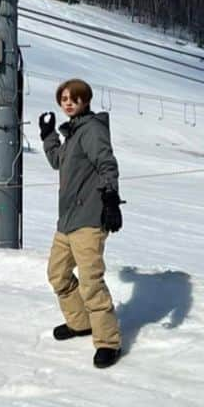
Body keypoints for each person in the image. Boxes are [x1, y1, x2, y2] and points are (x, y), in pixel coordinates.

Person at [41, 77, 124, 368]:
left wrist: (111, 198)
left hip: (89, 219)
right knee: (58, 274)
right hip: (67, 221)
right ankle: (81, 322)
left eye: (74, 98)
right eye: (64, 98)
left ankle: (108, 342)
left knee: (91, 283)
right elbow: (58, 162)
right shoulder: (73, 133)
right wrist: (49, 135)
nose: (68, 102)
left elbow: (106, 164)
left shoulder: (91, 130)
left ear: (85, 100)